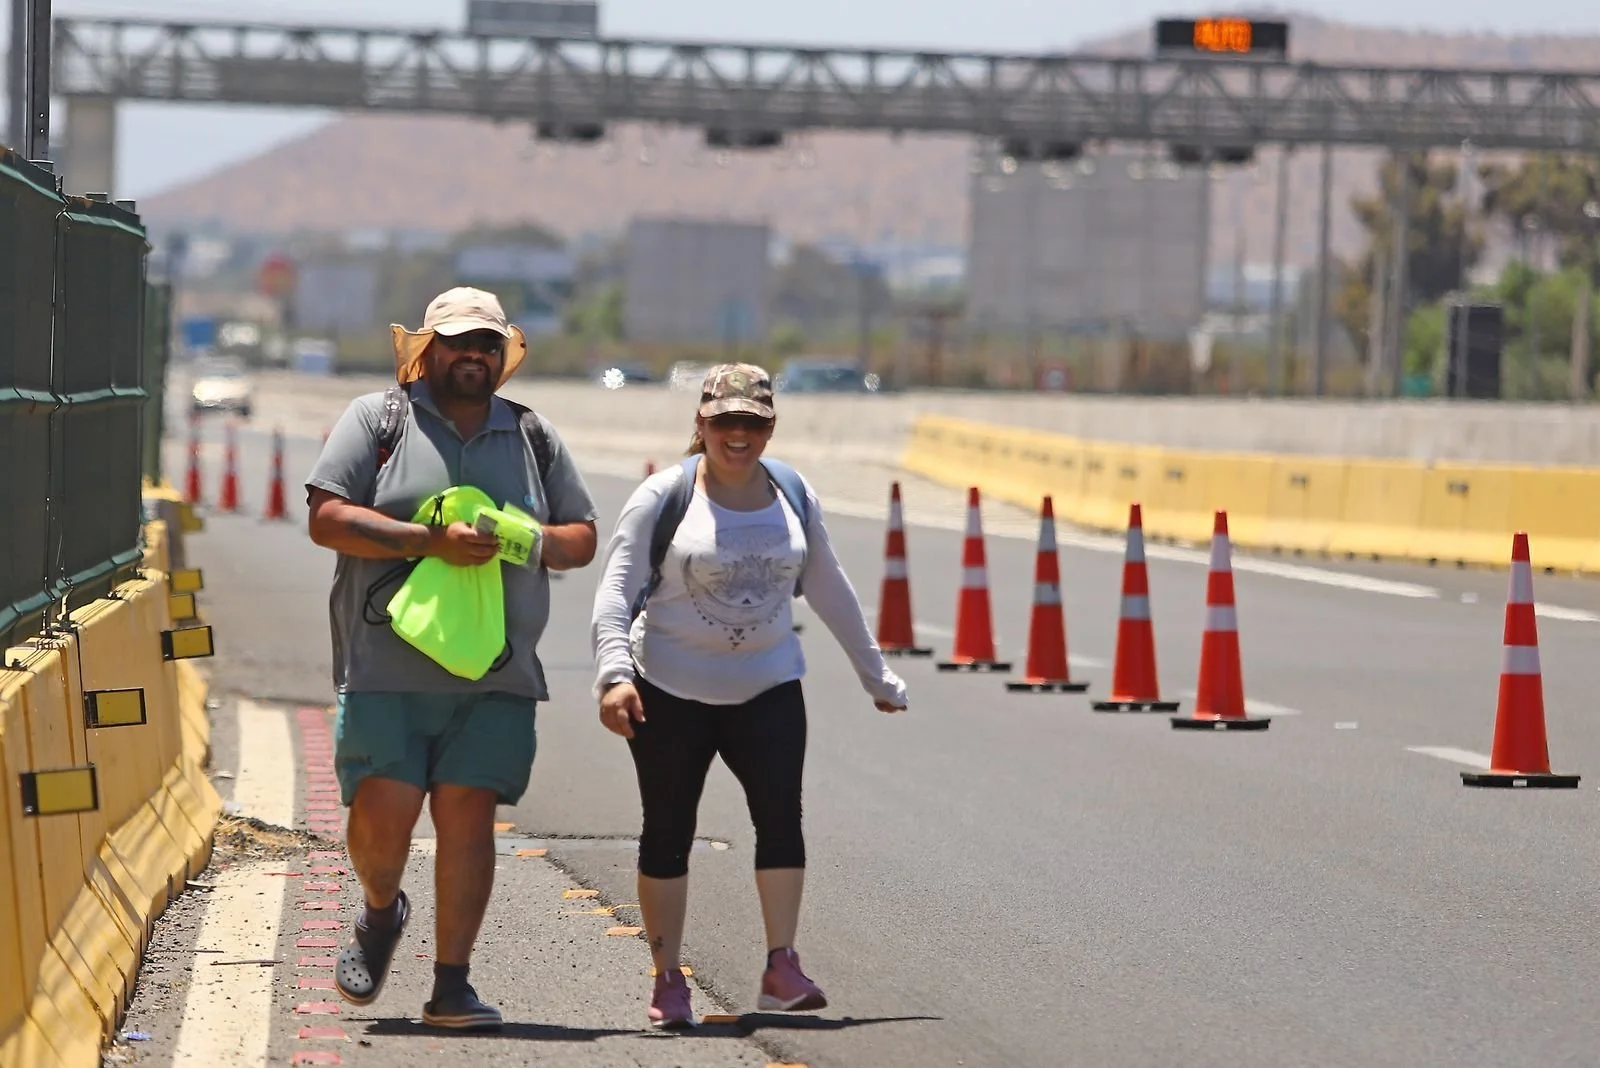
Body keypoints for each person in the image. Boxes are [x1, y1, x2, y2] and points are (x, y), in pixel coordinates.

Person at [304, 286, 599, 1031]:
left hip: (498, 676)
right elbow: (327, 517)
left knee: (468, 820)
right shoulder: (378, 420)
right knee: (384, 818)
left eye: (487, 344)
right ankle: (380, 913)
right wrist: (424, 541)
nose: (474, 354)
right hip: (385, 670)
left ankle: (452, 985)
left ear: (503, 357)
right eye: (460, 342)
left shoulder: (533, 435)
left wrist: (521, 537)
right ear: (427, 351)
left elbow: (582, 538)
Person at [588, 362, 908, 1029]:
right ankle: (667, 975)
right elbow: (615, 592)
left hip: (768, 685)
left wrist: (876, 676)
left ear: (771, 427)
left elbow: (829, 586)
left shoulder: (791, 492)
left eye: (754, 423)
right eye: (725, 421)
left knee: (781, 819)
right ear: (700, 423)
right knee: (668, 831)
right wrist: (615, 675)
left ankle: (781, 965)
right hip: (670, 690)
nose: (739, 435)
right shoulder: (663, 497)